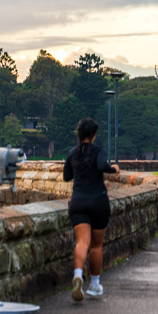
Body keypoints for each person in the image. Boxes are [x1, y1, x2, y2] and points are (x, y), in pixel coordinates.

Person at [63, 117, 119, 301]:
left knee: (82, 242)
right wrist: (113, 169)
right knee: (96, 245)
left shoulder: (72, 153)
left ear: (78, 135)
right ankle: (94, 285)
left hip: (78, 202)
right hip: (98, 202)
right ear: (94, 135)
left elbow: (66, 176)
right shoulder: (99, 151)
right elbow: (102, 165)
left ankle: (78, 275)